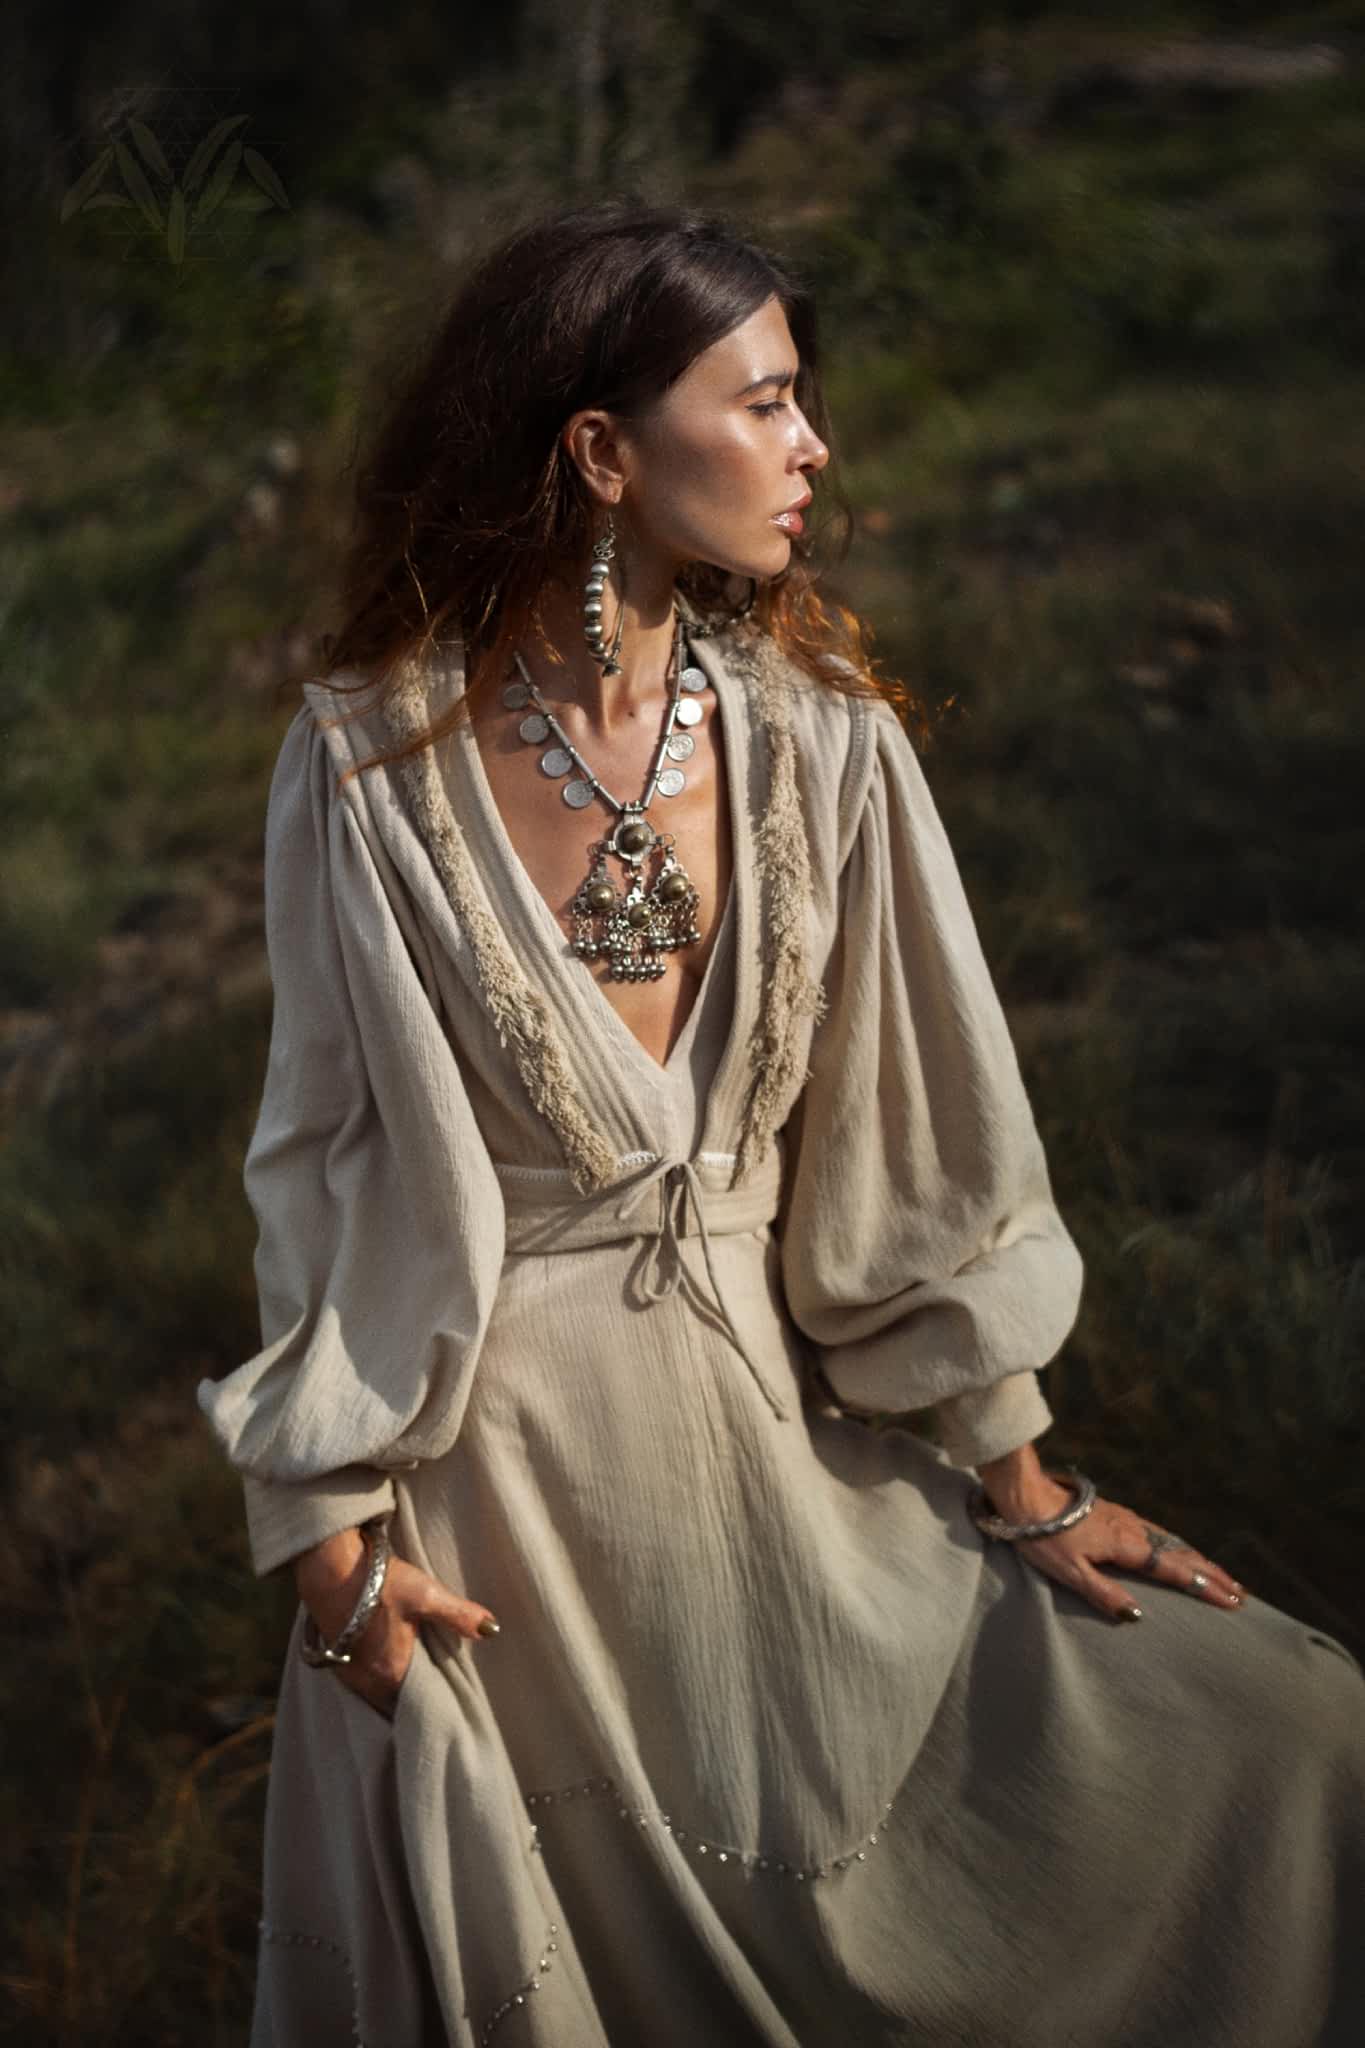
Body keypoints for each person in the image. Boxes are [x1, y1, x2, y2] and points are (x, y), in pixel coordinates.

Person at [197, 199, 1365, 2048]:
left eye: (800, 403)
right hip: (505, 1526)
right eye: (763, 402)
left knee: (1287, 1733)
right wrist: (332, 1546)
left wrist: (1017, 1469)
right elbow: (320, 1164)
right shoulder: (368, 757)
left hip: (782, 1480)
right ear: (599, 450)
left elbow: (927, 1144)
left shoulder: (825, 741)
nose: (811, 446)